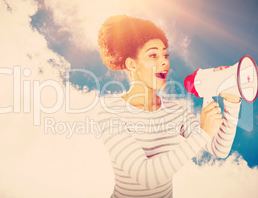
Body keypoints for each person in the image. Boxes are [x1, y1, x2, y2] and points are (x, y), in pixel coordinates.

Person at [95, 15, 241, 198]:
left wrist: (232, 101)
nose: (164, 62)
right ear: (132, 64)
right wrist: (203, 133)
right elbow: (145, 176)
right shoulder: (110, 113)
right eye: (153, 55)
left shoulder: (176, 112)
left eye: (165, 55)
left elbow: (219, 149)